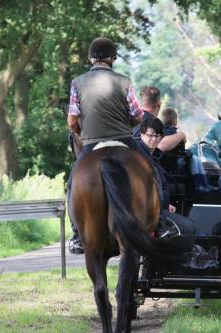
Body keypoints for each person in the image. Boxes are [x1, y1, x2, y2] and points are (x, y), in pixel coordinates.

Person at [67, 37, 147, 254]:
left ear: (91, 58)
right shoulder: (124, 81)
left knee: (72, 184)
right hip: (124, 140)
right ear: (113, 58)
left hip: (92, 144)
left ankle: (76, 234)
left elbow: (72, 121)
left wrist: (81, 134)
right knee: (154, 174)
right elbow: (138, 115)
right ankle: (161, 223)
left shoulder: (77, 82)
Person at [137, 117, 196, 237]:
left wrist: (166, 203)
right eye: (150, 135)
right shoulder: (140, 157)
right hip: (150, 214)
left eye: (157, 136)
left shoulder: (151, 155)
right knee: (189, 228)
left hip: (160, 209)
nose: (154, 139)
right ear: (142, 135)